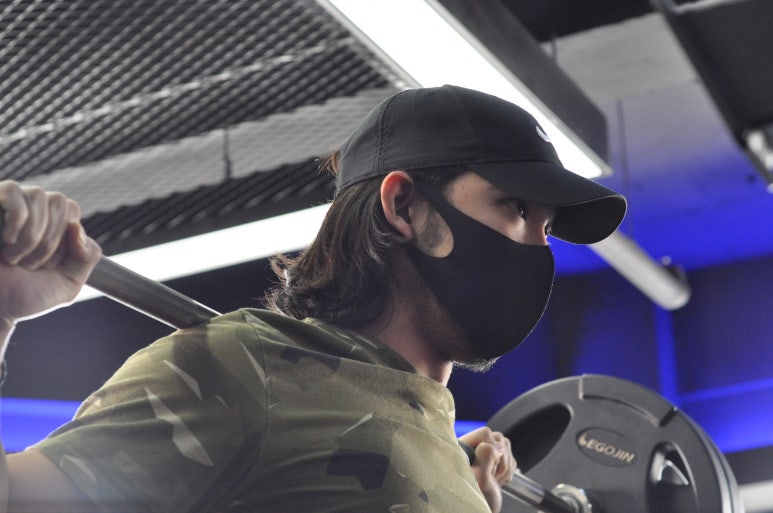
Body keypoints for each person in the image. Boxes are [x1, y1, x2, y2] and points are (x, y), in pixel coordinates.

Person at [0, 85, 626, 512]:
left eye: (547, 228)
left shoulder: (435, 437)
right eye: (516, 209)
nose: (537, 248)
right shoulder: (245, 369)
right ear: (403, 205)